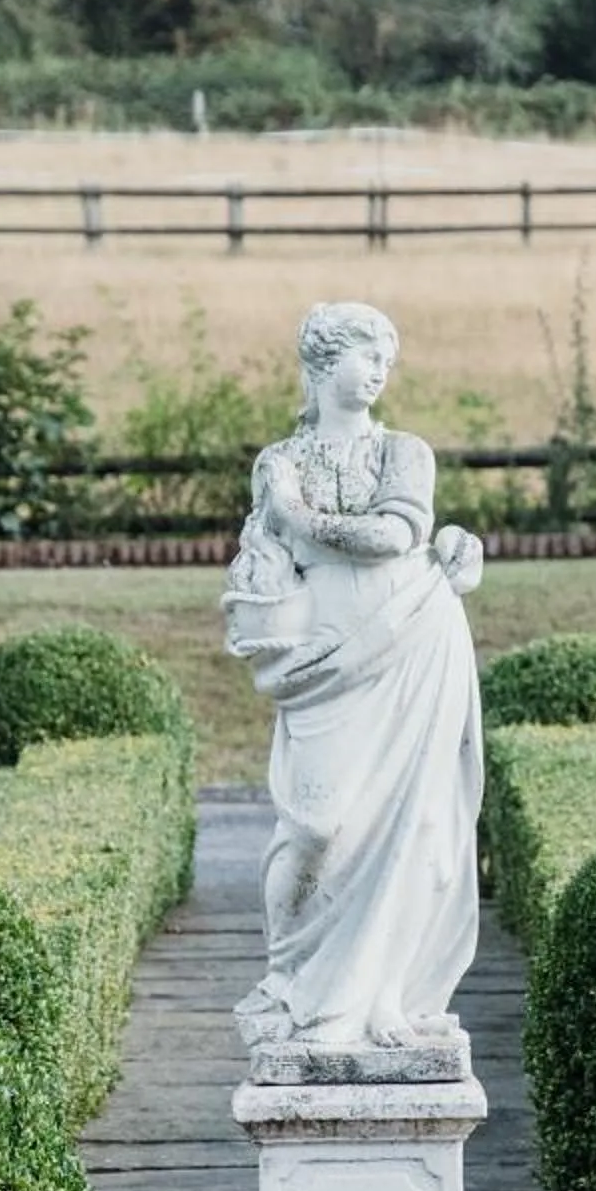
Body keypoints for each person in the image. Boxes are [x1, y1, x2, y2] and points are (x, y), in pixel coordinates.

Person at [222, 301, 485, 1049]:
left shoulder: (406, 452)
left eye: (385, 361)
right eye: (364, 355)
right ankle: (286, 978)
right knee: (315, 824)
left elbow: (394, 535)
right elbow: (263, 555)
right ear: (321, 363)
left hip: (411, 641)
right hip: (324, 662)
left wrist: (300, 519)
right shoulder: (278, 461)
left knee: (414, 826)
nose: (378, 372)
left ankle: (385, 995)